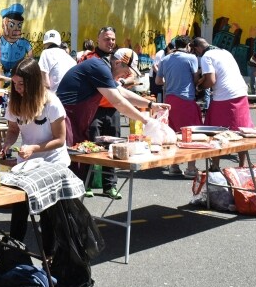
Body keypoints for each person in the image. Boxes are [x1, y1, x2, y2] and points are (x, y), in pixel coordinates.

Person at [57, 48, 165, 196]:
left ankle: (69, 210)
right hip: (66, 119)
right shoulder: (98, 67)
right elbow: (118, 102)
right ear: (118, 63)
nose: (128, 74)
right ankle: (63, 212)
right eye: (127, 69)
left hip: (77, 120)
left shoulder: (104, 68)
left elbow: (122, 92)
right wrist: (146, 120)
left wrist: (150, 105)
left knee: (77, 167)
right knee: (69, 167)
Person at [0, 59, 69, 242]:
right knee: (19, 208)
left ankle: (50, 257)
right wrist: (7, 143)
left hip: (52, 162)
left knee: (48, 215)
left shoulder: (52, 102)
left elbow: (60, 140)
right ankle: (15, 253)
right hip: (28, 163)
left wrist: (34, 148)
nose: (17, 88)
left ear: (34, 81)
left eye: (21, 84)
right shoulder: (15, 102)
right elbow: (13, 130)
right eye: (14, 84)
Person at [77, 26, 124, 197]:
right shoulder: (88, 59)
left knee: (113, 148)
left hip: (112, 109)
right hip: (93, 110)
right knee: (91, 147)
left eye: (112, 39)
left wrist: (123, 81)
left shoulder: (118, 58)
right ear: (98, 40)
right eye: (106, 39)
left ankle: (110, 185)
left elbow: (132, 75)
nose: (110, 42)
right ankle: (86, 183)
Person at [156, 36, 201, 177]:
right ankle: (191, 168)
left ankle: (173, 165)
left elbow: (158, 81)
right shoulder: (191, 58)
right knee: (190, 134)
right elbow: (195, 78)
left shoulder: (165, 59)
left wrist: (171, 80)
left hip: (170, 99)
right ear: (188, 45)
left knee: (173, 133)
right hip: (186, 99)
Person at [191, 36, 253, 130]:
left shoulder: (206, 56)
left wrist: (199, 87)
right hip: (241, 91)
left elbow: (211, 81)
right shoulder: (225, 52)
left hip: (225, 96)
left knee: (217, 130)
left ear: (197, 48)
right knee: (241, 129)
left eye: (195, 52)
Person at [0, 3, 33, 76]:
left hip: (18, 73)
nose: (16, 29)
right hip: (2, 73)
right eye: (11, 25)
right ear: (4, 25)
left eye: (19, 25)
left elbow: (30, 54)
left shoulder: (24, 43)